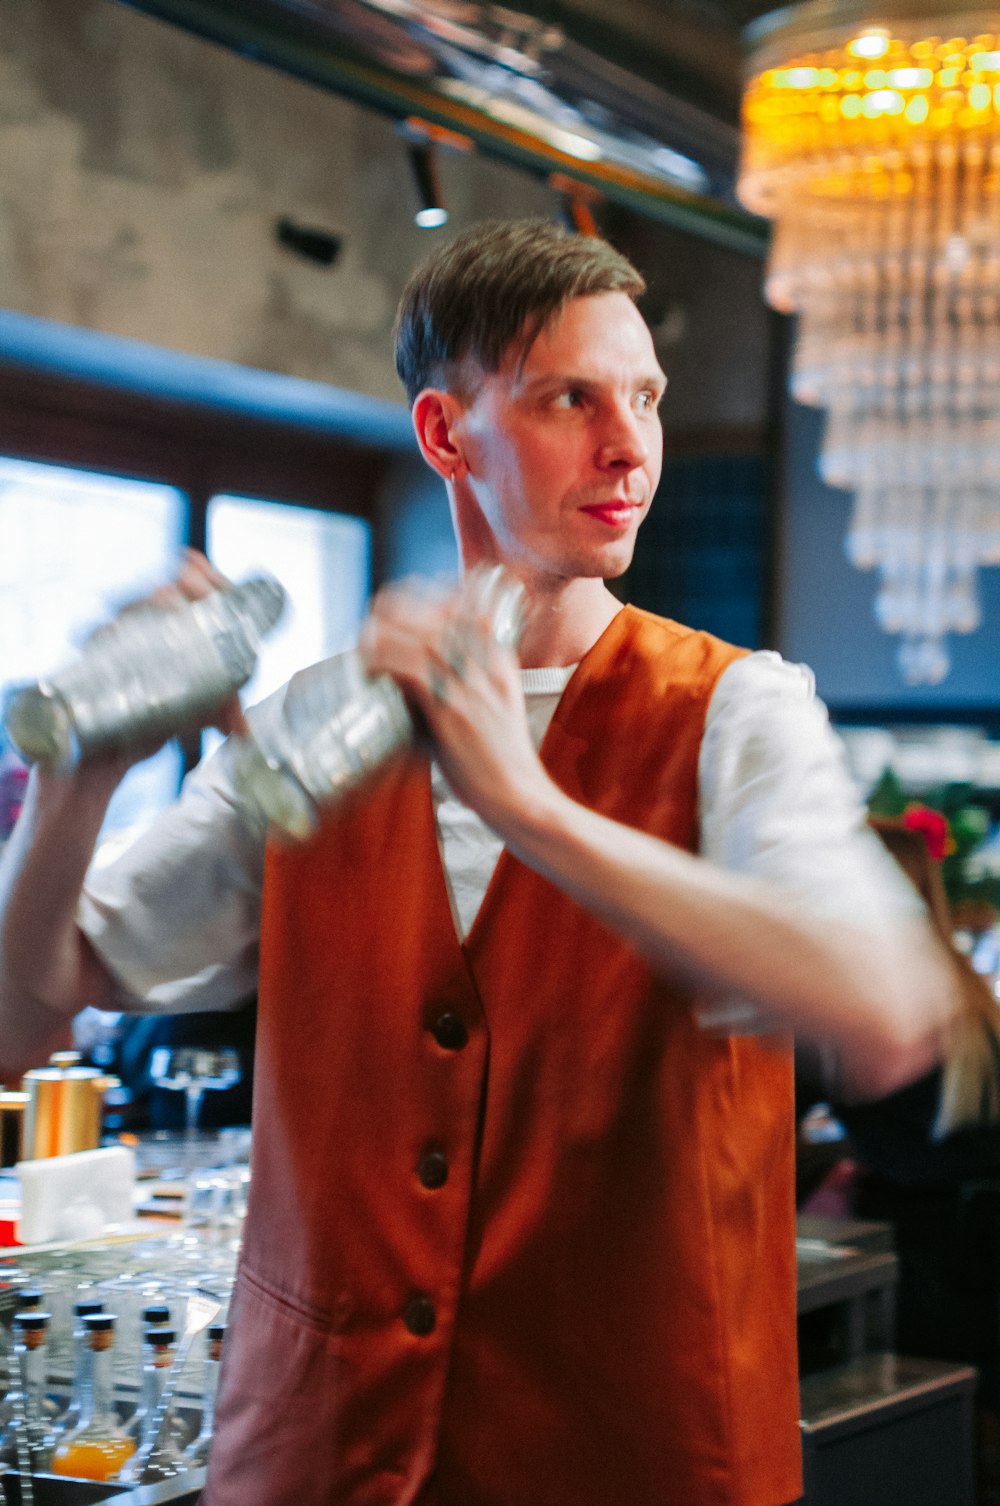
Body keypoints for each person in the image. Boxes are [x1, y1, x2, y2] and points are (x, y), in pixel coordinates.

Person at [0, 219, 971, 1506]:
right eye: (571, 398)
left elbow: (883, 1009)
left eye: (646, 399)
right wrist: (82, 774)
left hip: (629, 1459)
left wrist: (531, 805)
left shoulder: (741, 711)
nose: (630, 445)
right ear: (447, 436)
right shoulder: (316, 719)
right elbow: (27, 1006)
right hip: (320, 1455)